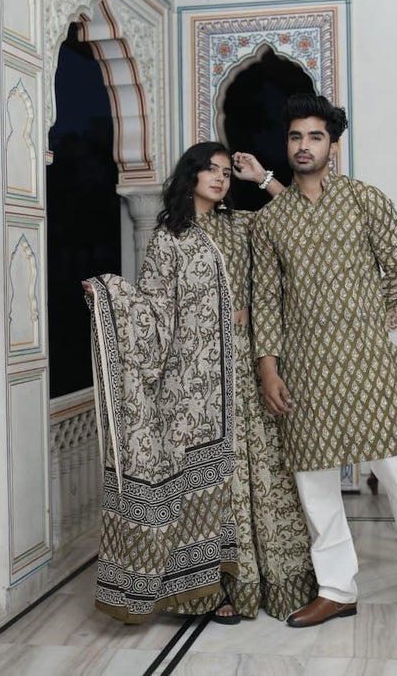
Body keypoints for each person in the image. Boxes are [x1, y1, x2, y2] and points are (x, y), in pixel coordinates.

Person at [251, 93, 397, 639]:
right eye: (295, 137)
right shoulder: (270, 221)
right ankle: (336, 590)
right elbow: (265, 302)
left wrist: (358, 316)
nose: (304, 146)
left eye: (315, 137)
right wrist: (268, 369)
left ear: (333, 144)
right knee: (315, 485)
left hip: (367, 364)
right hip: (303, 368)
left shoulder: (364, 199)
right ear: (287, 145)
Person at [83, 141, 316, 625]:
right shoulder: (169, 239)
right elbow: (151, 311)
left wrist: (262, 176)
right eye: (210, 170)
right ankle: (206, 594)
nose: (219, 178)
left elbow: (300, 214)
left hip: (246, 380)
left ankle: (272, 581)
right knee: (208, 485)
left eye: (226, 172)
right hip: (193, 386)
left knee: (256, 478)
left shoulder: (242, 225)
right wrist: (110, 296)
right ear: (189, 175)